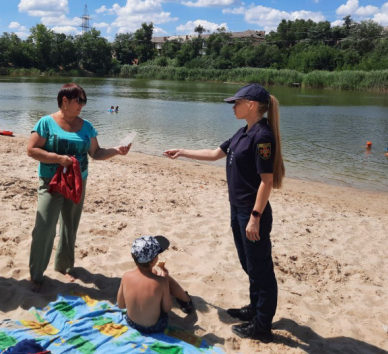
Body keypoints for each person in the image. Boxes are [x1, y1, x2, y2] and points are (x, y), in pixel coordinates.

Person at [164, 83, 284, 342]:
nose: (233, 107)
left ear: (251, 105)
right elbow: (215, 153)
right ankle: (254, 309)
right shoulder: (243, 132)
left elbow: (267, 181)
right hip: (237, 209)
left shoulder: (262, 136)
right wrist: (182, 152)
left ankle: (262, 326)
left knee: (261, 269)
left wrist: (255, 217)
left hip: (252, 213)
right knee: (249, 264)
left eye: (236, 103)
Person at [27, 83, 131, 292]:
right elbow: (31, 150)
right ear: (65, 100)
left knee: (70, 225)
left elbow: (96, 153)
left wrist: (117, 151)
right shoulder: (46, 123)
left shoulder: (87, 126)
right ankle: (36, 274)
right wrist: (57, 158)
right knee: (45, 226)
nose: (82, 105)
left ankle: (64, 266)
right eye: (79, 101)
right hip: (51, 182)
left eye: (84, 101)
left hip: (77, 182)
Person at [117, 235, 193, 334]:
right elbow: (167, 308)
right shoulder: (161, 282)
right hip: (154, 327)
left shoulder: (126, 276)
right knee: (161, 278)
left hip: (131, 323)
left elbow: (121, 305)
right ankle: (186, 301)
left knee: (153, 273)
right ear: (153, 261)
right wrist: (165, 279)